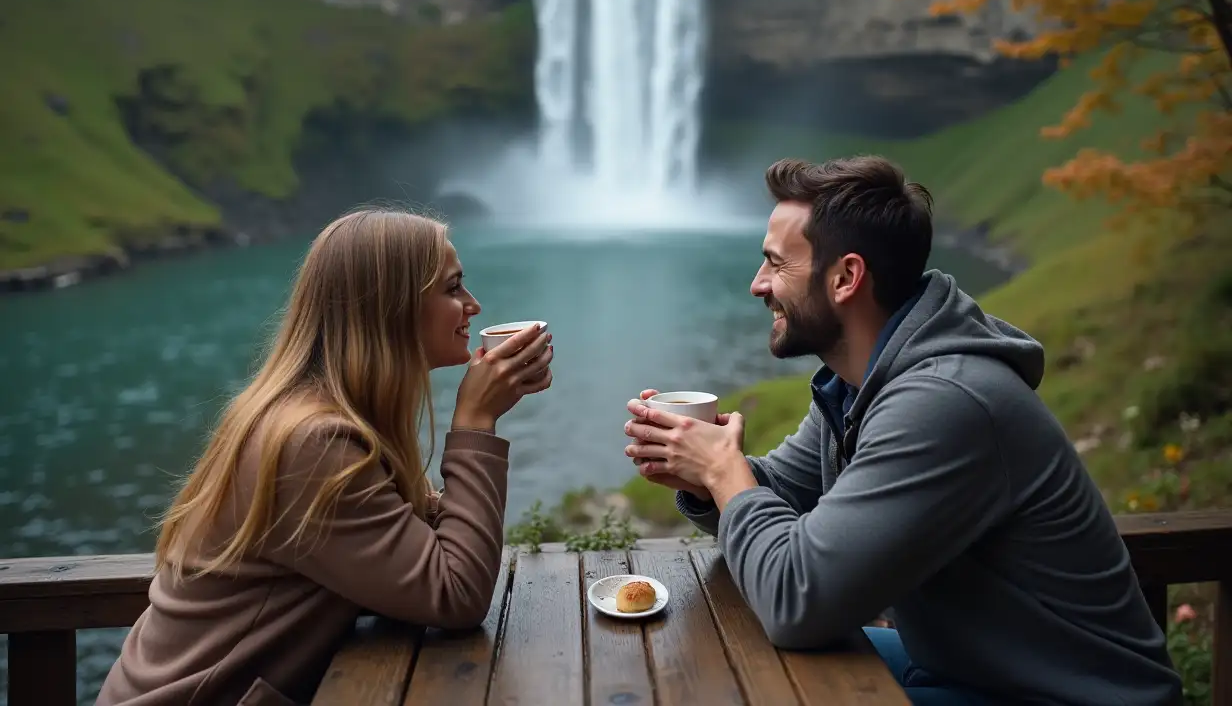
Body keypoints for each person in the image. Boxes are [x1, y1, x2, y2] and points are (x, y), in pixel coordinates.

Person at [624, 156, 1182, 706]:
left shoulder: (943, 403)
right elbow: (782, 495)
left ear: (845, 278)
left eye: (776, 264)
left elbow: (797, 599)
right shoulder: (862, 384)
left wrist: (725, 471)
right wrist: (699, 472)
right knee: (720, 665)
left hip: (1060, 696)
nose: (757, 285)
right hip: (962, 671)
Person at [96, 208, 554, 706]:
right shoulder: (311, 443)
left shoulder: (317, 415)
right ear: (390, 306)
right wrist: (475, 423)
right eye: (452, 288)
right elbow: (455, 592)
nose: (473, 305)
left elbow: (408, 548)